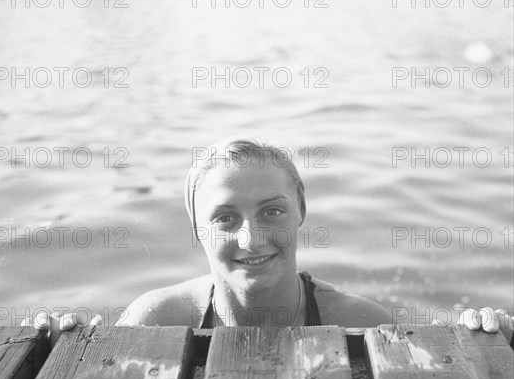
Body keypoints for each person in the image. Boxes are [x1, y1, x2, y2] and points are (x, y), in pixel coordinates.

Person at [25, 139, 513, 345]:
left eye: (272, 211)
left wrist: (491, 346)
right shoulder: (156, 322)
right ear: (196, 227)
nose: (251, 238)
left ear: (302, 209)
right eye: (225, 218)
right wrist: (47, 357)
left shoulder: (358, 325)